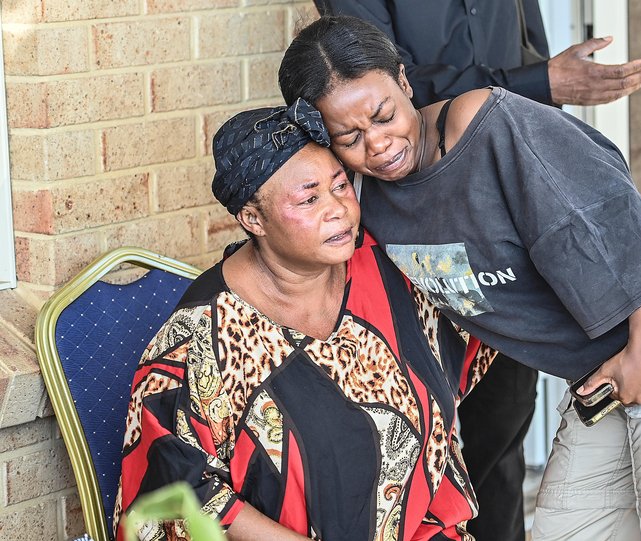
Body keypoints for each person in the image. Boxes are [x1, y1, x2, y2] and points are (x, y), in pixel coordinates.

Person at [278, 16, 641, 540]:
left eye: (384, 116)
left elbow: (612, 208)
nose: (377, 144)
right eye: (350, 136)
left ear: (405, 83)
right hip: (603, 372)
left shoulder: (488, 126)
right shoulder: (367, 197)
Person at [307, 4, 641, 538]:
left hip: (500, 230)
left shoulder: (501, 129)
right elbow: (367, 79)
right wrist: (539, 81)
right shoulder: (382, 128)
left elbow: (523, 39)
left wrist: (538, 83)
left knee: (503, 431)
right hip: (411, 220)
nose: (369, 137)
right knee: (417, 433)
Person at [112, 99, 499, 540]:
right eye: (309, 198)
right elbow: (177, 489)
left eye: (340, 186)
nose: (337, 209)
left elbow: (491, 305)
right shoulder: (202, 338)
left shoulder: (387, 268)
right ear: (253, 219)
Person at [312, 0, 641, 108]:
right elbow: (389, 83)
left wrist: (549, 91)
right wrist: (541, 83)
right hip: (428, 167)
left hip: (518, 143)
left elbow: (528, 37)